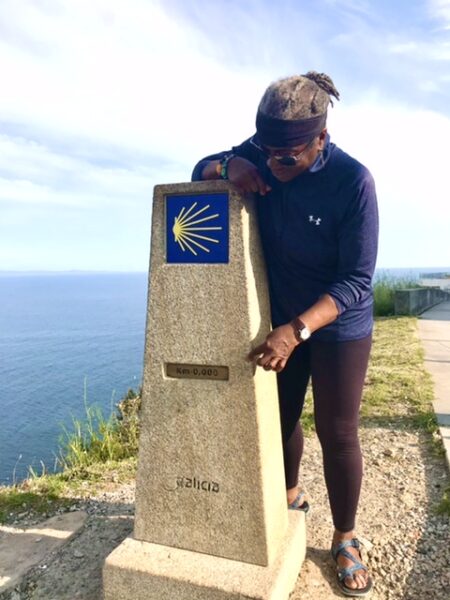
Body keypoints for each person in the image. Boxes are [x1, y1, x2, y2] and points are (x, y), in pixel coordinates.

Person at [191, 71, 378, 597]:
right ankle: (289, 496)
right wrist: (231, 164)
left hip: (336, 324)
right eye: (267, 151)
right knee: (281, 415)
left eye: (287, 156)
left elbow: (357, 281)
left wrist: (297, 330)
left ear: (321, 138)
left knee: (337, 432)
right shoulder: (265, 148)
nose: (275, 163)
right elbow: (199, 169)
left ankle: (345, 537)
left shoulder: (352, 181)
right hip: (281, 320)